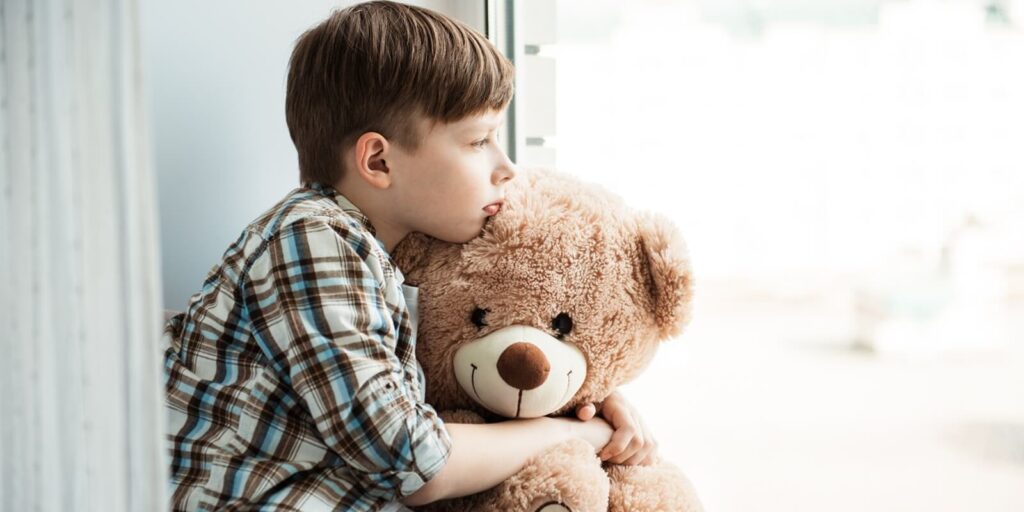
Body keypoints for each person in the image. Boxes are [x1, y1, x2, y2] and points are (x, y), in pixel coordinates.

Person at [163, 2, 657, 510]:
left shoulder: (388, 252)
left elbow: (442, 388)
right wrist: (572, 435)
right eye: (479, 140)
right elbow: (415, 460)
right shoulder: (311, 240)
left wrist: (579, 403)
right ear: (378, 160)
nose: (506, 166)